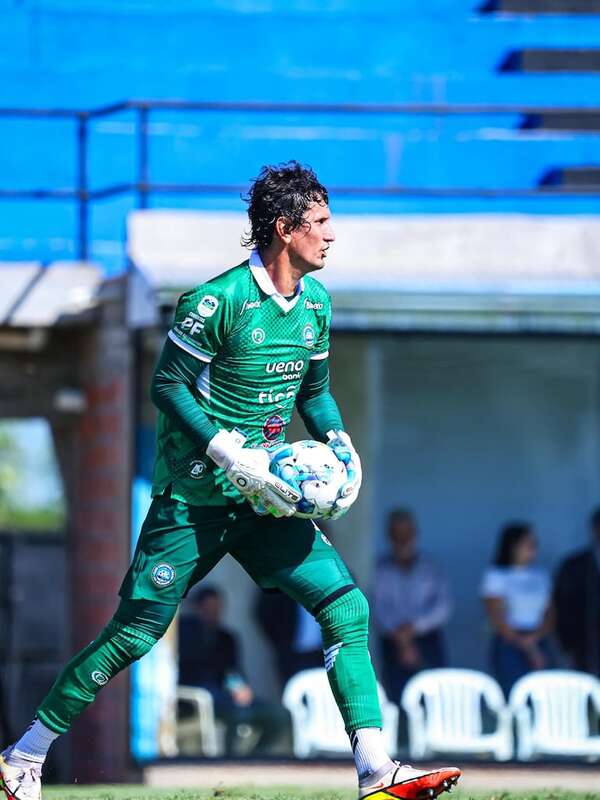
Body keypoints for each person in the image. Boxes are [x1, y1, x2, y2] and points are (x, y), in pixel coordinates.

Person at [0, 162, 459, 800]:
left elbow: (316, 394)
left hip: (265, 501)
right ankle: (25, 756)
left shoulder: (317, 305)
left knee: (346, 607)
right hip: (194, 499)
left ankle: (377, 772)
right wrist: (227, 452)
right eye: (321, 223)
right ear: (284, 228)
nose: (332, 236)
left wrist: (338, 439)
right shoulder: (216, 302)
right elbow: (166, 385)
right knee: (135, 632)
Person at [179, 586, 288, 755]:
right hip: (196, 695)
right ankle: (230, 760)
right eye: (208, 608)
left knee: (278, 715)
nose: (213, 613)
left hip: (225, 695)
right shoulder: (183, 634)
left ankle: (254, 759)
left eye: (217, 608)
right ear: (198, 608)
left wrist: (240, 687)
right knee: (238, 714)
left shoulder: (226, 638)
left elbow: (232, 672)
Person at [373, 509, 452, 703]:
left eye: (407, 533)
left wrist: (414, 628)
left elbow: (443, 606)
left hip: (427, 640)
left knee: (434, 697)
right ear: (389, 536)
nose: (403, 539)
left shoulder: (430, 567)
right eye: (397, 534)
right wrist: (401, 637)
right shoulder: (381, 570)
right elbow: (378, 608)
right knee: (397, 699)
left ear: (415, 534)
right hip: (393, 642)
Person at [481, 522, 554, 697]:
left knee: (543, 694)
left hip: (538, 637)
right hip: (510, 641)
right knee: (514, 695)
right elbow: (496, 615)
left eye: (534, 543)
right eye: (528, 543)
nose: (533, 547)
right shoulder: (496, 575)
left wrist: (536, 638)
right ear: (513, 546)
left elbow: (550, 612)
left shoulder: (541, 575)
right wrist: (529, 647)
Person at [553, 507, 600, 675]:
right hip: (585, 645)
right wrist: (567, 643)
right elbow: (561, 604)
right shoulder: (574, 565)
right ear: (595, 529)